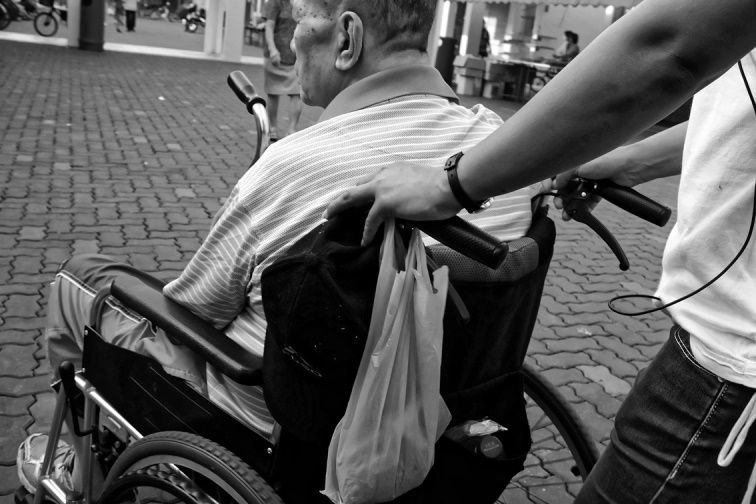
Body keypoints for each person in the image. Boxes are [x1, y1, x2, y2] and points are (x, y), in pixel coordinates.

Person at [16, 0, 544, 500]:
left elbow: (194, 313)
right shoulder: (503, 153)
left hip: (277, 429)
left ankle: (82, 470)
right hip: (443, 415)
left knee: (81, 277)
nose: (291, 40)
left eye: (299, 18)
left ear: (346, 39)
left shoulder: (295, 165)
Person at [325, 0, 756, 502]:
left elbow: (667, 46)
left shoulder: (302, 160)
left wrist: (452, 184)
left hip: (732, 364)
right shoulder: (481, 124)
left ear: (347, 36)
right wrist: (632, 161)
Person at [263, 0, 302, 141]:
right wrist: (272, 49)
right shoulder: (275, 2)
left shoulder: (302, 3)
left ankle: (292, 130)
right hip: (276, 55)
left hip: (296, 55)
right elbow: (269, 26)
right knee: (273, 92)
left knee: (297, 93)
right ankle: (272, 128)